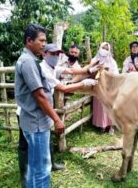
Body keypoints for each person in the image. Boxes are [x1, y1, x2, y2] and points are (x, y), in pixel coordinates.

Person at [16, 42, 98, 187]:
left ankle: (47, 166)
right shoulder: (43, 69)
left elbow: (72, 72)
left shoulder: (52, 67)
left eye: (58, 54)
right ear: (44, 54)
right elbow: (62, 88)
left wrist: (91, 67)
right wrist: (84, 83)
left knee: (42, 146)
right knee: (26, 148)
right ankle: (25, 177)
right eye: (52, 53)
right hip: (28, 113)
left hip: (41, 113)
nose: (56, 56)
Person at [15, 23, 64, 188]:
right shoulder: (28, 62)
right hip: (36, 123)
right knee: (42, 168)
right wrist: (57, 119)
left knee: (35, 166)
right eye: (41, 41)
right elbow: (40, 96)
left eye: (45, 41)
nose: (44, 44)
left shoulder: (29, 60)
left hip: (33, 121)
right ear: (29, 41)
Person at [91, 42, 119, 134]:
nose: (105, 50)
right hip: (98, 86)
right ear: (100, 48)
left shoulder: (112, 61)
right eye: (103, 48)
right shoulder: (94, 60)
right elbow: (89, 71)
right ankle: (101, 125)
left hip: (109, 87)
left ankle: (111, 126)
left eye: (107, 49)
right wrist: (97, 69)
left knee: (110, 106)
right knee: (100, 106)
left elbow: (116, 74)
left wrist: (107, 71)